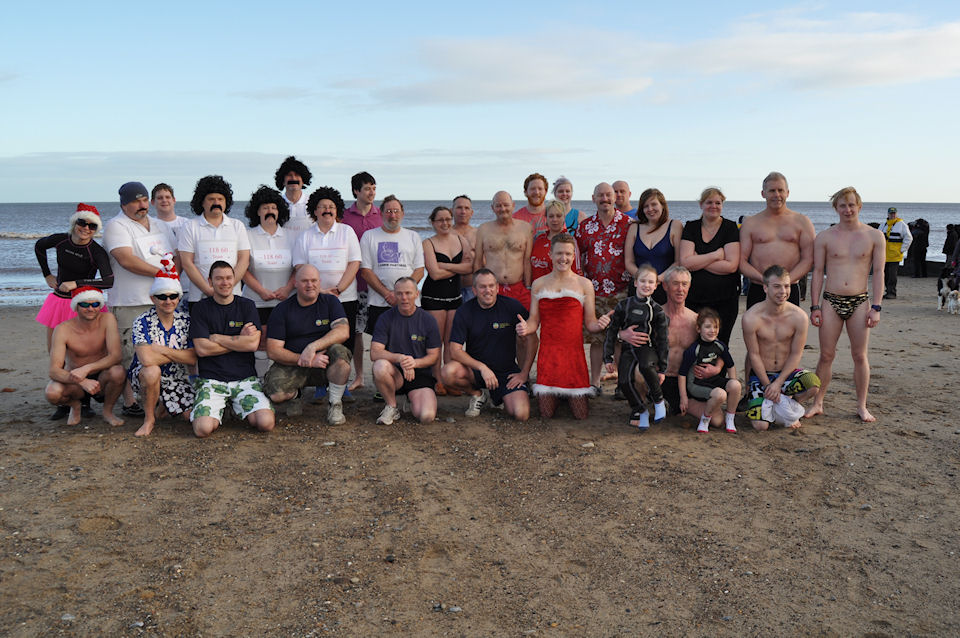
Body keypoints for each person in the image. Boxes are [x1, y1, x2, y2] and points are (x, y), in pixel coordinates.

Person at [805, 187, 884, 423]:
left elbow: (879, 272)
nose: (847, 209)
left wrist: (877, 307)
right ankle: (817, 402)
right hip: (831, 300)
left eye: (851, 205)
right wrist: (815, 306)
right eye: (842, 205)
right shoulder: (825, 237)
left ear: (859, 206)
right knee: (826, 355)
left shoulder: (874, 236)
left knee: (860, 355)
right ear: (836, 208)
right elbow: (817, 272)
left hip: (860, 301)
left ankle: (862, 405)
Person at [516, 233, 612, 419]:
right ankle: (557, 396)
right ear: (550, 254)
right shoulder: (539, 284)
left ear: (574, 255)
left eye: (568, 254)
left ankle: (566, 395)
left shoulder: (584, 284)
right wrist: (525, 329)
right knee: (546, 413)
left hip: (573, 358)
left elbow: (590, 324)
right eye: (559, 253)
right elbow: (534, 321)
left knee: (581, 415)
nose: (564, 258)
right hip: (548, 358)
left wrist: (600, 324)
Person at [104, 181, 178, 418]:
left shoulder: (159, 225)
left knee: (161, 349)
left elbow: (174, 255)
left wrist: (171, 279)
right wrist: (161, 274)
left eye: (145, 200)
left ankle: (157, 398)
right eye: (136, 201)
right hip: (130, 301)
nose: (142, 205)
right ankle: (129, 401)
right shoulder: (117, 226)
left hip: (162, 299)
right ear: (124, 204)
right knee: (131, 352)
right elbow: (126, 259)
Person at [188, 261, 274, 438]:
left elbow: (251, 345)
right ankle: (222, 407)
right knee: (202, 429)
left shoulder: (247, 306)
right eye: (218, 278)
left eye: (228, 278)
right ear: (210, 281)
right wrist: (239, 340)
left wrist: (219, 338)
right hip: (211, 379)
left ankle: (234, 406)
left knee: (265, 423)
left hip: (245, 378)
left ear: (235, 280)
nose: (224, 282)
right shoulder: (200, 308)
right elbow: (202, 349)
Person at [291, 186, 361, 398]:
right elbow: (299, 267)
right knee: (319, 338)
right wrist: (320, 291)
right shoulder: (305, 236)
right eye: (322, 207)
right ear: (315, 211)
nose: (327, 210)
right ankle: (322, 384)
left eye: (331, 206)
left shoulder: (346, 232)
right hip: (315, 298)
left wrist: (338, 289)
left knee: (344, 342)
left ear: (337, 210)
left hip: (345, 297)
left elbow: (354, 263)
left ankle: (340, 386)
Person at [441, 268, 537, 420]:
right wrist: (482, 368)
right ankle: (477, 395)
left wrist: (524, 373)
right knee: (448, 372)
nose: (488, 290)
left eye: (491, 286)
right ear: (474, 290)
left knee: (521, 414)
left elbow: (532, 337)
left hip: (507, 372)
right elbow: (455, 350)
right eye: (482, 287)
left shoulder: (512, 306)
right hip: (477, 371)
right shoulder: (464, 311)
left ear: (497, 287)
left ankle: (498, 396)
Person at [263, 265, 351, 424]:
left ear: (320, 282)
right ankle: (296, 395)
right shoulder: (282, 310)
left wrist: (312, 348)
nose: (310, 285)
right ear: (295, 283)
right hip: (294, 363)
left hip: (324, 362)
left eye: (314, 280)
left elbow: (343, 331)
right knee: (276, 395)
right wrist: (304, 358)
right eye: (304, 281)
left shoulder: (330, 302)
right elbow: (273, 351)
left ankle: (335, 404)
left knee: (341, 356)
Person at [741, 265, 821, 431]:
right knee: (760, 426)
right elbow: (754, 355)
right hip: (761, 376)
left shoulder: (799, 317)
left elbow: (796, 353)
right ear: (765, 287)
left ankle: (788, 403)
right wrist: (767, 385)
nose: (783, 291)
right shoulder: (751, 317)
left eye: (786, 286)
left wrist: (778, 383)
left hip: (786, 374)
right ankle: (777, 405)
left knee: (813, 384)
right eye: (776, 286)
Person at [35, 203, 113, 360]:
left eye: (92, 226)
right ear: (74, 223)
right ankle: (58, 381)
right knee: (55, 353)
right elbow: (39, 246)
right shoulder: (61, 240)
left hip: (84, 304)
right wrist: (47, 275)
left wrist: (77, 283)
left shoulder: (96, 252)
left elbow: (109, 281)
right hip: (58, 302)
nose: (86, 228)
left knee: (84, 353)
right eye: (82, 223)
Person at [128, 258, 196, 437]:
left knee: (193, 419)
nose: (168, 301)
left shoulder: (186, 321)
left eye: (173, 296)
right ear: (153, 298)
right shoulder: (142, 321)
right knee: (152, 372)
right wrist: (179, 354)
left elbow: (193, 357)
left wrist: (163, 350)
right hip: (144, 375)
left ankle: (163, 407)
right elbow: (146, 359)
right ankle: (149, 419)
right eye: (162, 296)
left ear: (178, 297)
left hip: (177, 378)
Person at [574, 182, 632, 390]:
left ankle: (622, 385)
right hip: (594, 292)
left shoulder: (628, 224)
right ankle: (595, 382)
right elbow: (577, 256)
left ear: (615, 198)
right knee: (597, 340)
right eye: (600, 195)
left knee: (619, 339)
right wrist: (581, 283)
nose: (605, 199)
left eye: (609, 195)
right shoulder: (585, 226)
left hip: (622, 291)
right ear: (593, 198)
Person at [45, 287, 125, 427]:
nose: (90, 308)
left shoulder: (107, 319)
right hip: (75, 379)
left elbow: (116, 356)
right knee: (52, 393)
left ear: (100, 305)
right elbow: (54, 371)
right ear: (76, 306)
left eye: (95, 304)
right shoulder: (62, 329)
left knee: (118, 372)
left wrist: (87, 368)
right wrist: (81, 381)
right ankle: (75, 405)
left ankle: (107, 412)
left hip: (101, 377)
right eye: (85, 304)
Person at [603, 264, 668, 430]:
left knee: (646, 367)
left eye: (650, 282)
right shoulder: (623, 305)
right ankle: (640, 409)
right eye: (643, 281)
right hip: (628, 349)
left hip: (648, 349)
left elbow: (662, 340)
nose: (646, 285)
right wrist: (608, 357)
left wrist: (662, 368)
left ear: (656, 286)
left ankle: (658, 399)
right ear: (635, 283)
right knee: (624, 381)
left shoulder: (656, 310)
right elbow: (612, 331)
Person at [739, 172, 815, 308]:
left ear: (788, 193)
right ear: (763, 193)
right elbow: (741, 260)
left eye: (780, 190)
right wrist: (765, 281)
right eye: (772, 190)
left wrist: (784, 283)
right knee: (755, 328)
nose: (777, 195)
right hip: (759, 287)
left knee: (789, 328)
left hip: (789, 288)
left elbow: (808, 259)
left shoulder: (802, 221)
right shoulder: (751, 223)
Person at [371, 277, 441, 425]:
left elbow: (434, 356)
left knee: (426, 416)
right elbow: (375, 352)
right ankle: (392, 405)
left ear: (417, 294)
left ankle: (411, 398)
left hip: (420, 375)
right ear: (394, 295)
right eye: (399, 294)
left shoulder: (428, 320)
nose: (404, 298)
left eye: (408, 293)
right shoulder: (385, 318)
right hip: (395, 374)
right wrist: (401, 358)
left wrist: (413, 363)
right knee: (379, 366)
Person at [679, 187, 741, 344]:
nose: (713, 206)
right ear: (701, 204)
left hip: (725, 299)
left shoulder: (730, 228)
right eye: (709, 202)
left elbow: (731, 266)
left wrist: (697, 259)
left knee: (720, 344)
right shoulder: (691, 227)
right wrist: (716, 255)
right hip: (693, 298)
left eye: (718, 202)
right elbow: (685, 263)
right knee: (692, 343)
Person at [422, 205, 473, 394]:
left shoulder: (461, 240)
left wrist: (444, 264)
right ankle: (437, 379)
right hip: (433, 296)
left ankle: (448, 378)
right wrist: (456, 267)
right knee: (436, 340)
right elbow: (434, 274)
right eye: (440, 220)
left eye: (447, 219)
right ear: (433, 222)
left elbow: (470, 268)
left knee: (452, 342)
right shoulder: (428, 243)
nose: (445, 223)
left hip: (455, 296)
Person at [178, 175, 251, 307]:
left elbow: (244, 260)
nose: (216, 202)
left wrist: (226, 287)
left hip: (233, 297)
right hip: (200, 298)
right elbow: (187, 262)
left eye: (220, 199)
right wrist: (209, 290)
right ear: (202, 202)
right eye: (211, 199)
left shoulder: (237, 226)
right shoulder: (190, 227)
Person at [359, 195, 425, 337]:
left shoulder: (413, 236)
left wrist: (403, 294)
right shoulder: (369, 236)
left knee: (410, 343)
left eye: (396, 211)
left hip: (410, 303)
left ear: (402, 214)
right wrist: (388, 294)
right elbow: (365, 271)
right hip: (379, 303)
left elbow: (419, 270)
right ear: (381, 213)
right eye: (388, 211)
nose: (392, 215)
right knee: (381, 345)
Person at [341, 171, 381, 391]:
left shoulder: (381, 215)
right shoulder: (345, 217)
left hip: (376, 285)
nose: (371, 192)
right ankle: (358, 376)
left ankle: (379, 378)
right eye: (367, 188)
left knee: (378, 331)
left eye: (374, 187)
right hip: (353, 285)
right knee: (355, 332)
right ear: (356, 191)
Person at [241, 186, 295, 344]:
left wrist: (287, 289)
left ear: (279, 211)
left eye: (274, 207)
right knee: (260, 345)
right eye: (265, 208)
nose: (270, 211)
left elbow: (299, 268)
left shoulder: (292, 236)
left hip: (287, 301)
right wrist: (261, 291)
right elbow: (242, 269)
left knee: (286, 342)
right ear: (257, 212)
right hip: (256, 301)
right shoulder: (247, 235)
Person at [677, 308, 740, 434]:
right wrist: (683, 397)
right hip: (696, 384)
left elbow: (730, 365)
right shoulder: (694, 349)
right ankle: (704, 420)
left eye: (715, 327)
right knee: (720, 394)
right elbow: (682, 373)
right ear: (699, 329)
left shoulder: (719, 346)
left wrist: (732, 387)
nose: (712, 330)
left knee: (736, 385)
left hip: (713, 381)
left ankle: (730, 418)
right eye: (708, 327)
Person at [474, 191, 533, 310]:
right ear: (492, 208)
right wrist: (477, 287)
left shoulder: (526, 228)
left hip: (519, 288)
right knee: (492, 325)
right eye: (498, 205)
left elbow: (527, 260)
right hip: (492, 289)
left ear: (513, 205)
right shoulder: (483, 229)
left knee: (522, 324)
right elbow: (478, 261)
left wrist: (528, 287)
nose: (502, 208)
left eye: (506, 205)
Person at [624, 187, 682, 304]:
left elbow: (678, 261)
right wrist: (644, 280)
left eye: (654, 204)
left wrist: (657, 279)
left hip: (665, 287)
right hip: (638, 289)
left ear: (662, 205)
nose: (650, 209)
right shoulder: (634, 228)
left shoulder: (675, 226)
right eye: (646, 206)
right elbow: (628, 262)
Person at [531, 200, 582, 281]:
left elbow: (577, 273)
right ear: (546, 218)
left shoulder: (569, 241)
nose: (554, 219)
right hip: (537, 290)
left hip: (559, 291)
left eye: (558, 216)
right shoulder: (539, 239)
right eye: (551, 216)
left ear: (564, 217)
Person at [151, 184, 187, 292]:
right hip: (161, 284)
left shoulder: (186, 224)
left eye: (167, 197)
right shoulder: (150, 226)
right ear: (152, 202)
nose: (164, 200)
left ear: (174, 200)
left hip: (186, 285)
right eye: (159, 198)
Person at [274, 155, 314, 234]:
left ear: (303, 180)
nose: (293, 178)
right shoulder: (276, 205)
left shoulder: (313, 203)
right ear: (283, 180)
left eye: (297, 175)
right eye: (289, 175)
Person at [452, 195, 478, 302]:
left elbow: (484, 262)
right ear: (452, 211)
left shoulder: (479, 234)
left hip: (473, 289)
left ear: (471, 212)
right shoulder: (444, 234)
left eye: (467, 208)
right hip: (450, 290)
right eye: (459, 208)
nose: (463, 211)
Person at [882, 207, 912, 299]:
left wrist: (902, 249)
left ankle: (892, 292)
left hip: (895, 255)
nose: (892, 215)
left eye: (894, 213)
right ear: (888, 214)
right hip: (883, 255)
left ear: (896, 214)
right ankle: (888, 291)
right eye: (891, 213)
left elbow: (909, 238)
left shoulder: (901, 224)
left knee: (892, 275)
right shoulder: (883, 225)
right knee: (885, 274)